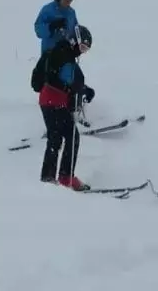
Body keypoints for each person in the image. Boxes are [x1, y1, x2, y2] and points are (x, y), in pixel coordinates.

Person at [37, 25, 95, 191]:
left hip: (55, 102)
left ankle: (61, 177)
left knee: (68, 137)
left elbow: (72, 82)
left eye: (85, 50)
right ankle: (55, 178)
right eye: (82, 47)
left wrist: (83, 90)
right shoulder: (61, 54)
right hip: (51, 101)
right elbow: (55, 78)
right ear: (74, 40)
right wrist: (75, 89)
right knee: (61, 137)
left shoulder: (66, 56)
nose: (82, 52)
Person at [33, 0, 94, 123]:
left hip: (67, 55)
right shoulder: (47, 10)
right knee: (58, 86)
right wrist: (51, 26)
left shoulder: (71, 13)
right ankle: (57, 118)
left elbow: (75, 31)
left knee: (78, 79)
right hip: (51, 57)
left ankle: (76, 113)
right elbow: (38, 29)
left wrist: (80, 43)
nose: (69, 1)